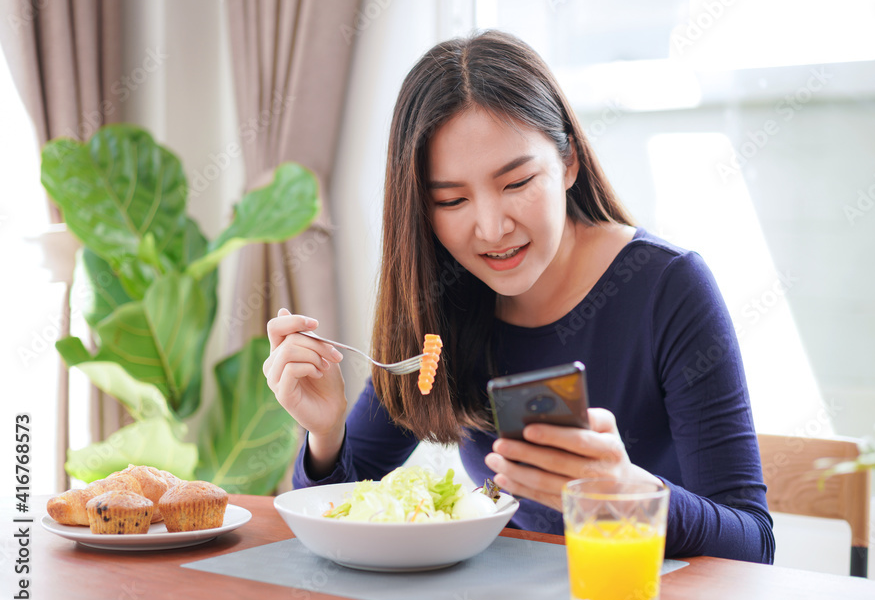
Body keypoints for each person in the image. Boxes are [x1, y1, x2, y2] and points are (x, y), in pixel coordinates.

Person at [263, 30, 774, 564]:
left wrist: (628, 496)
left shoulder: (668, 287)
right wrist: (325, 432)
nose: (491, 227)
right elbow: (333, 508)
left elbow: (753, 544)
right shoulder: (443, 301)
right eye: (453, 199)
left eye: (516, 183)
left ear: (568, 162)